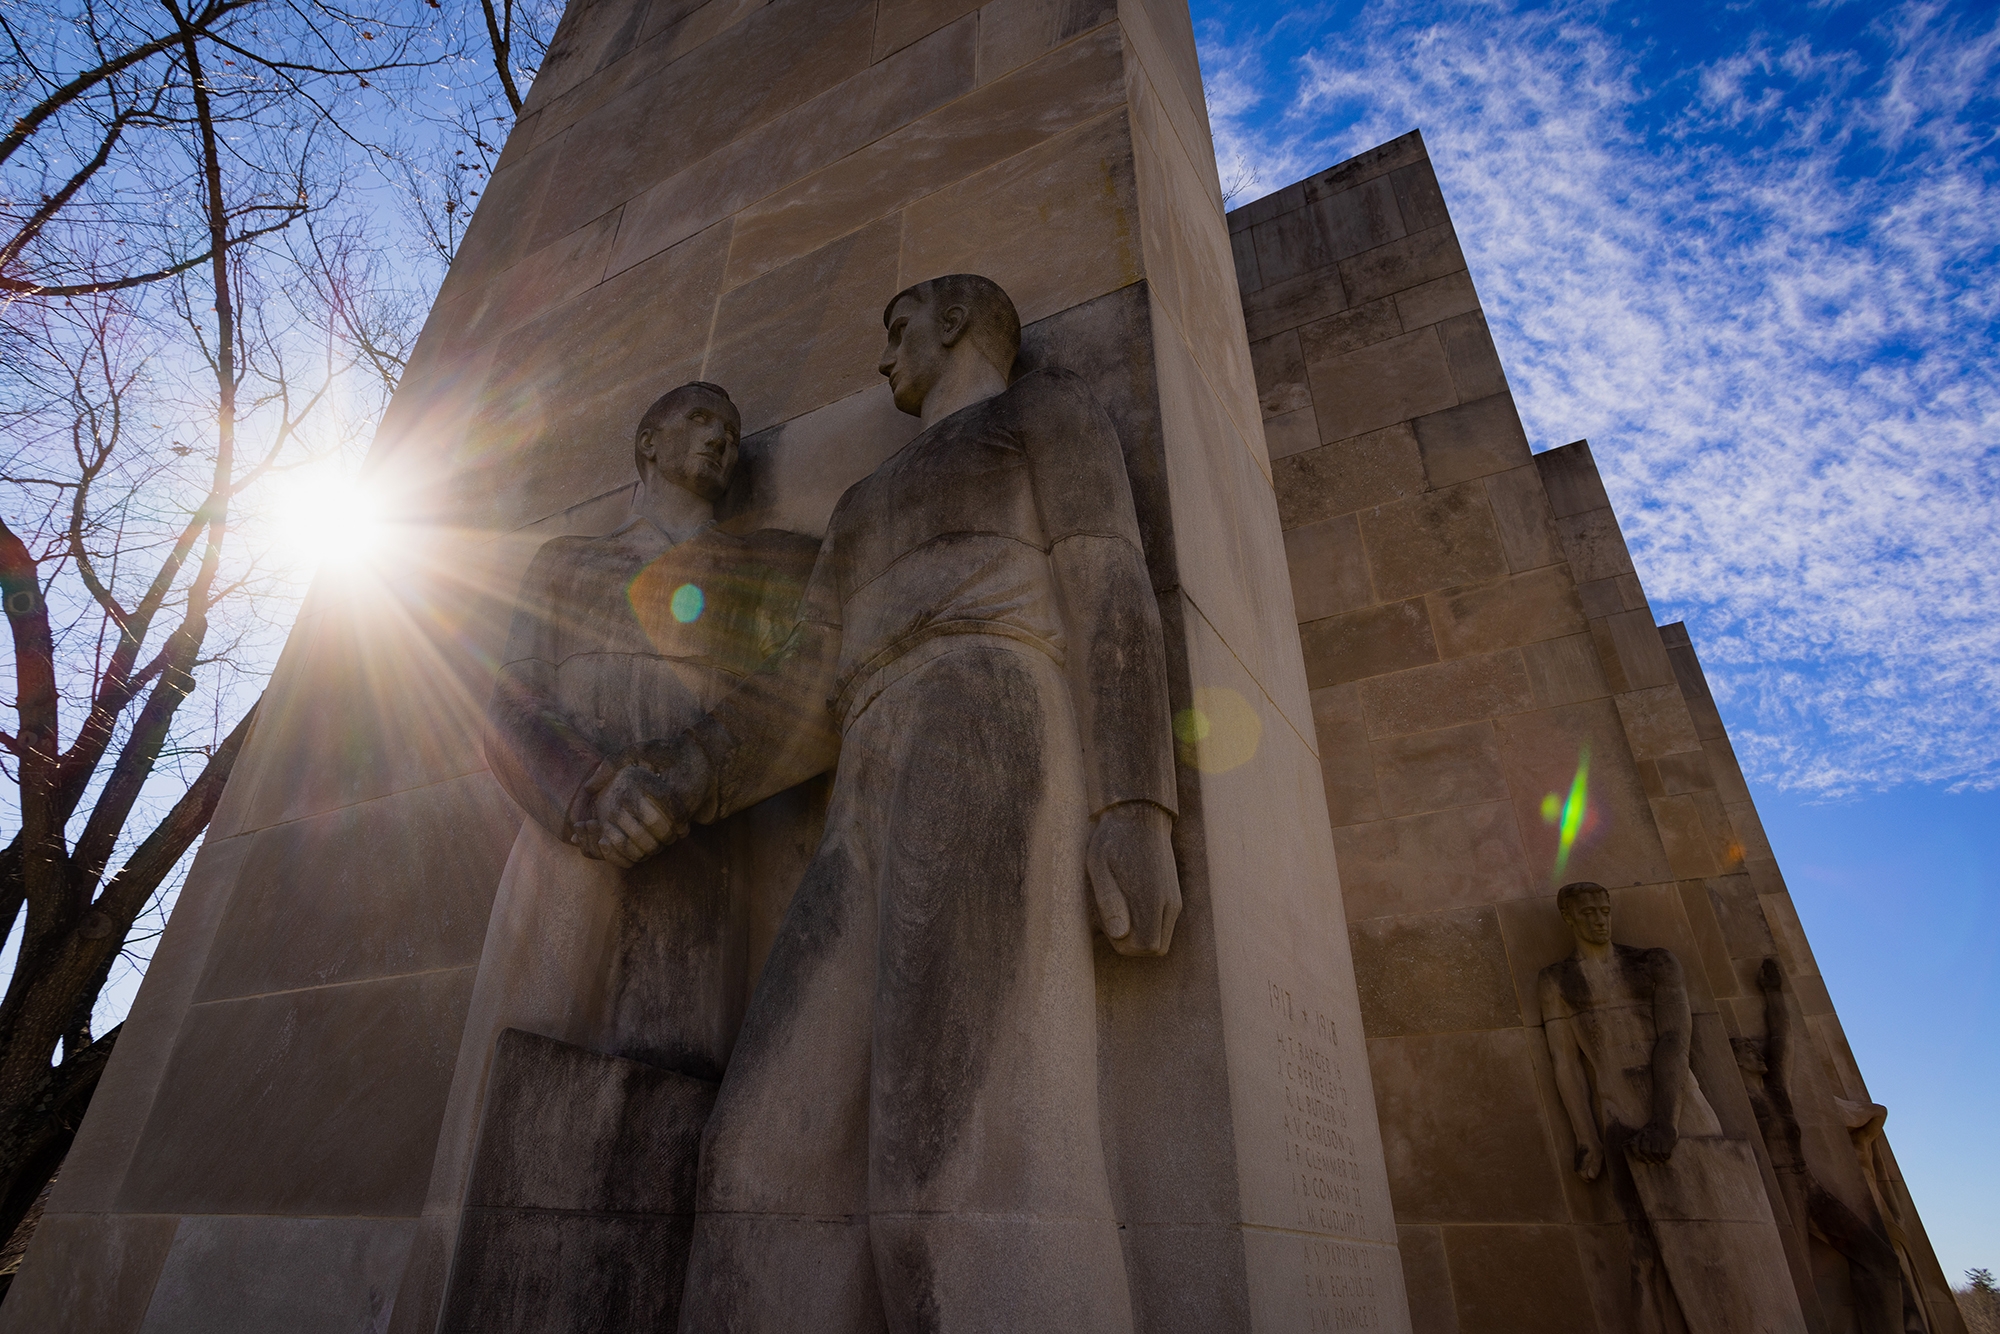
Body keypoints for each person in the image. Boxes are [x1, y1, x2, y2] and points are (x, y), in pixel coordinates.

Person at [587, 275, 1181, 1330]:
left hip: (987, 711)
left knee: (951, 1145)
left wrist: (1134, 802)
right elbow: (793, 698)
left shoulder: (1042, 415)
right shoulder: (863, 502)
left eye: (894, 327)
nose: (881, 357)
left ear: (952, 319)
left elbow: (1109, 585)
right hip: (864, 756)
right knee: (755, 1150)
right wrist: (672, 780)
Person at [1541, 881, 1807, 1334]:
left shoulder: (1654, 963)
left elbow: (1674, 1040)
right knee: (1642, 1250)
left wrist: (1666, 1120)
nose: (1599, 919)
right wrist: (1586, 1136)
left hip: (1680, 1106)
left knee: (1724, 1231)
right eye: (1587, 913)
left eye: (1604, 909)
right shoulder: (1557, 980)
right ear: (1569, 918)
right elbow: (1564, 1062)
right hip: (1617, 1111)